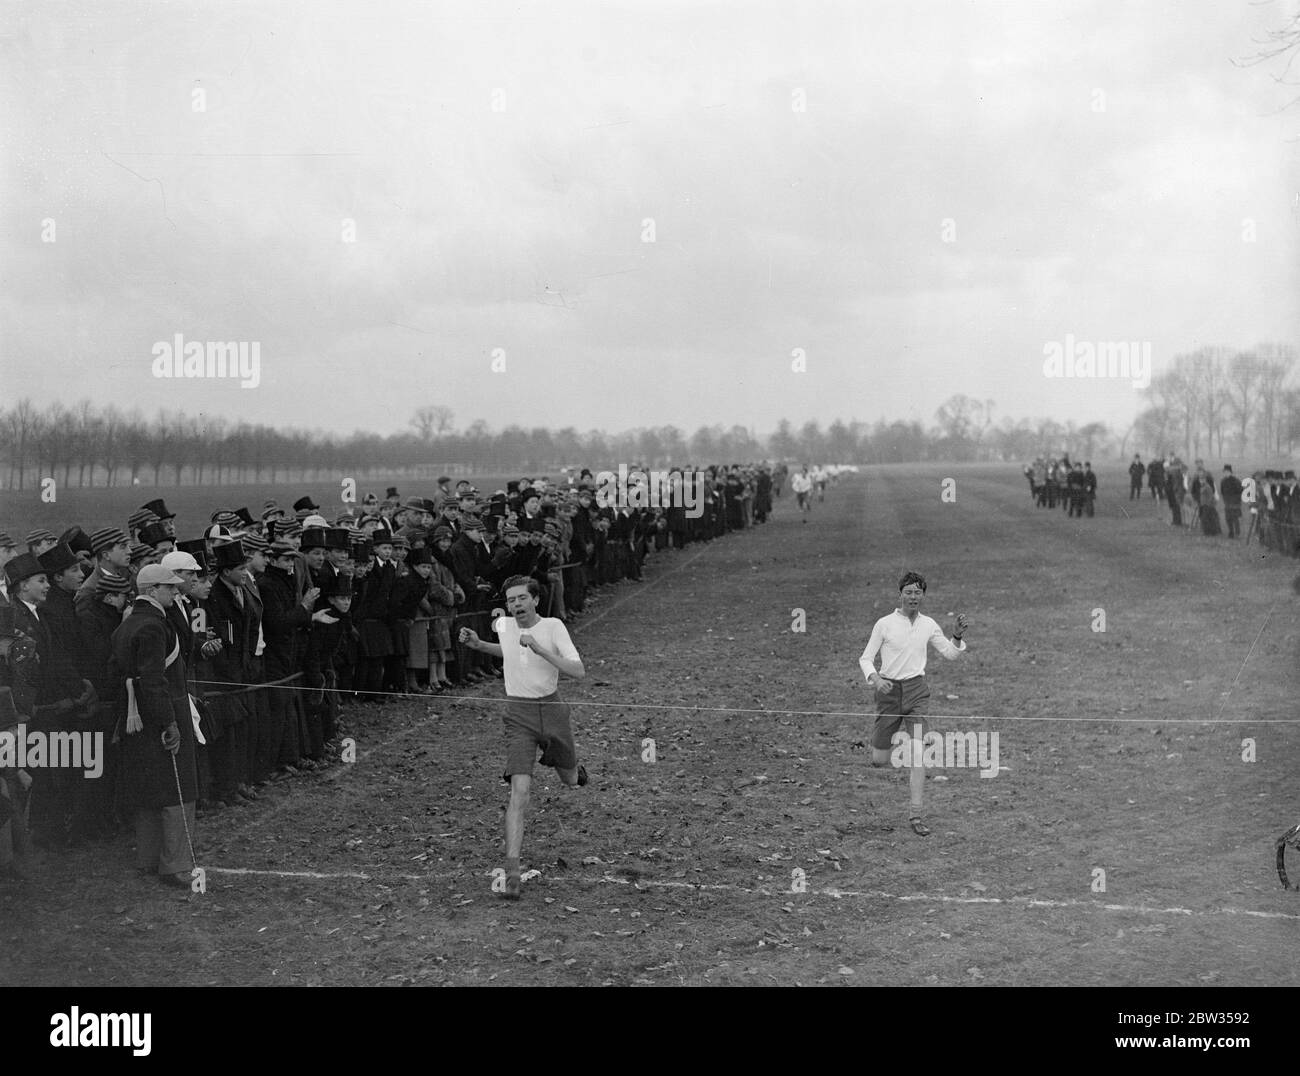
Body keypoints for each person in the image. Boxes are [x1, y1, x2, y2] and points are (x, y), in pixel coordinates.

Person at [458, 575, 588, 900]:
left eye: (520, 598)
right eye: (510, 599)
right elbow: (510, 653)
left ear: (535, 600)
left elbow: (578, 671)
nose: (515, 604)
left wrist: (541, 648)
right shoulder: (504, 625)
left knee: (571, 780)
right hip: (518, 715)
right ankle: (512, 871)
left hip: (553, 710)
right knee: (520, 790)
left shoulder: (553, 626)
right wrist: (478, 645)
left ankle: (572, 769)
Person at [858, 571, 969, 837]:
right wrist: (875, 678)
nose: (913, 597)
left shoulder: (929, 624)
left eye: (918, 592)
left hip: (917, 692)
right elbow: (865, 659)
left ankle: (916, 814)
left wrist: (956, 636)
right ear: (900, 594)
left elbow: (951, 654)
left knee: (919, 753)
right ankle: (895, 737)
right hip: (888, 692)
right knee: (880, 760)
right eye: (908, 592)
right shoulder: (884, 624)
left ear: (923, 596)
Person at [109, 563, 198, 888]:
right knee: (178, 788)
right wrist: (169, 722)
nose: (176, 591)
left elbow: (115, 673)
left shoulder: (127, 625)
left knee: (147, 788)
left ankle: (147, 858)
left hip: (135, 717)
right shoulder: (155, 627)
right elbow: (154, 681)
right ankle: (175, 865)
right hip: (160, 712)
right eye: (169, 587)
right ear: (151, 591)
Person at [1220, 465, 1243, 539]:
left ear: (1231, 472)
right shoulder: (1223, 481)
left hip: (1235, 502)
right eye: (1225, 472)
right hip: (1227, 502)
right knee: (1228, 519)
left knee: (1235, 518)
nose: (1226, 473)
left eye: (1227, 472)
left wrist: (1236, 500)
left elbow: (1240, 491)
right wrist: (1225, 500)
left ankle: (1237, 533)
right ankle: (1231, 532)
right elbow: (1222, 492)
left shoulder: (1236, 481)